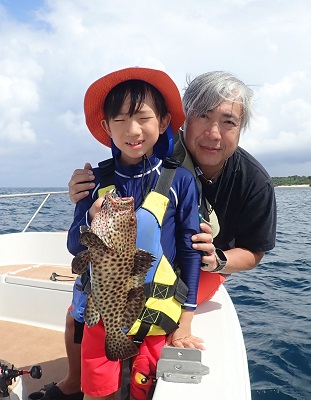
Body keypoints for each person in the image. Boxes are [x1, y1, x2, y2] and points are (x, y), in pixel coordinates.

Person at [54, 71, 277, 399]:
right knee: (79, 312)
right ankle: (77, 382)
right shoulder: (127, 166)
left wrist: (198, 293)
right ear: (184, 120)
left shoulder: (252, 181)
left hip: (201, 267)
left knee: (149, 348)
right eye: (204, 116)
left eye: (228, 122)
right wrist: (88, 210)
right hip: (115, 278)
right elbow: (76, 244)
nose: (213, 132)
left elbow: (254, 252)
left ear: (163, 122)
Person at [61, 67, 204, 400]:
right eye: (121, 119)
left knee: (145, 388)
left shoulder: (180, 180)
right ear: (106, 126)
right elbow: (74, 246)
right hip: (104, 311)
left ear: (164, 122)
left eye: (143, 117)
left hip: (155, 310)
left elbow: (189, 250)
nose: (133, 129)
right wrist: (89, 220)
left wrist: (186, 319)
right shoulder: (94, 180)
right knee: (97, 392)